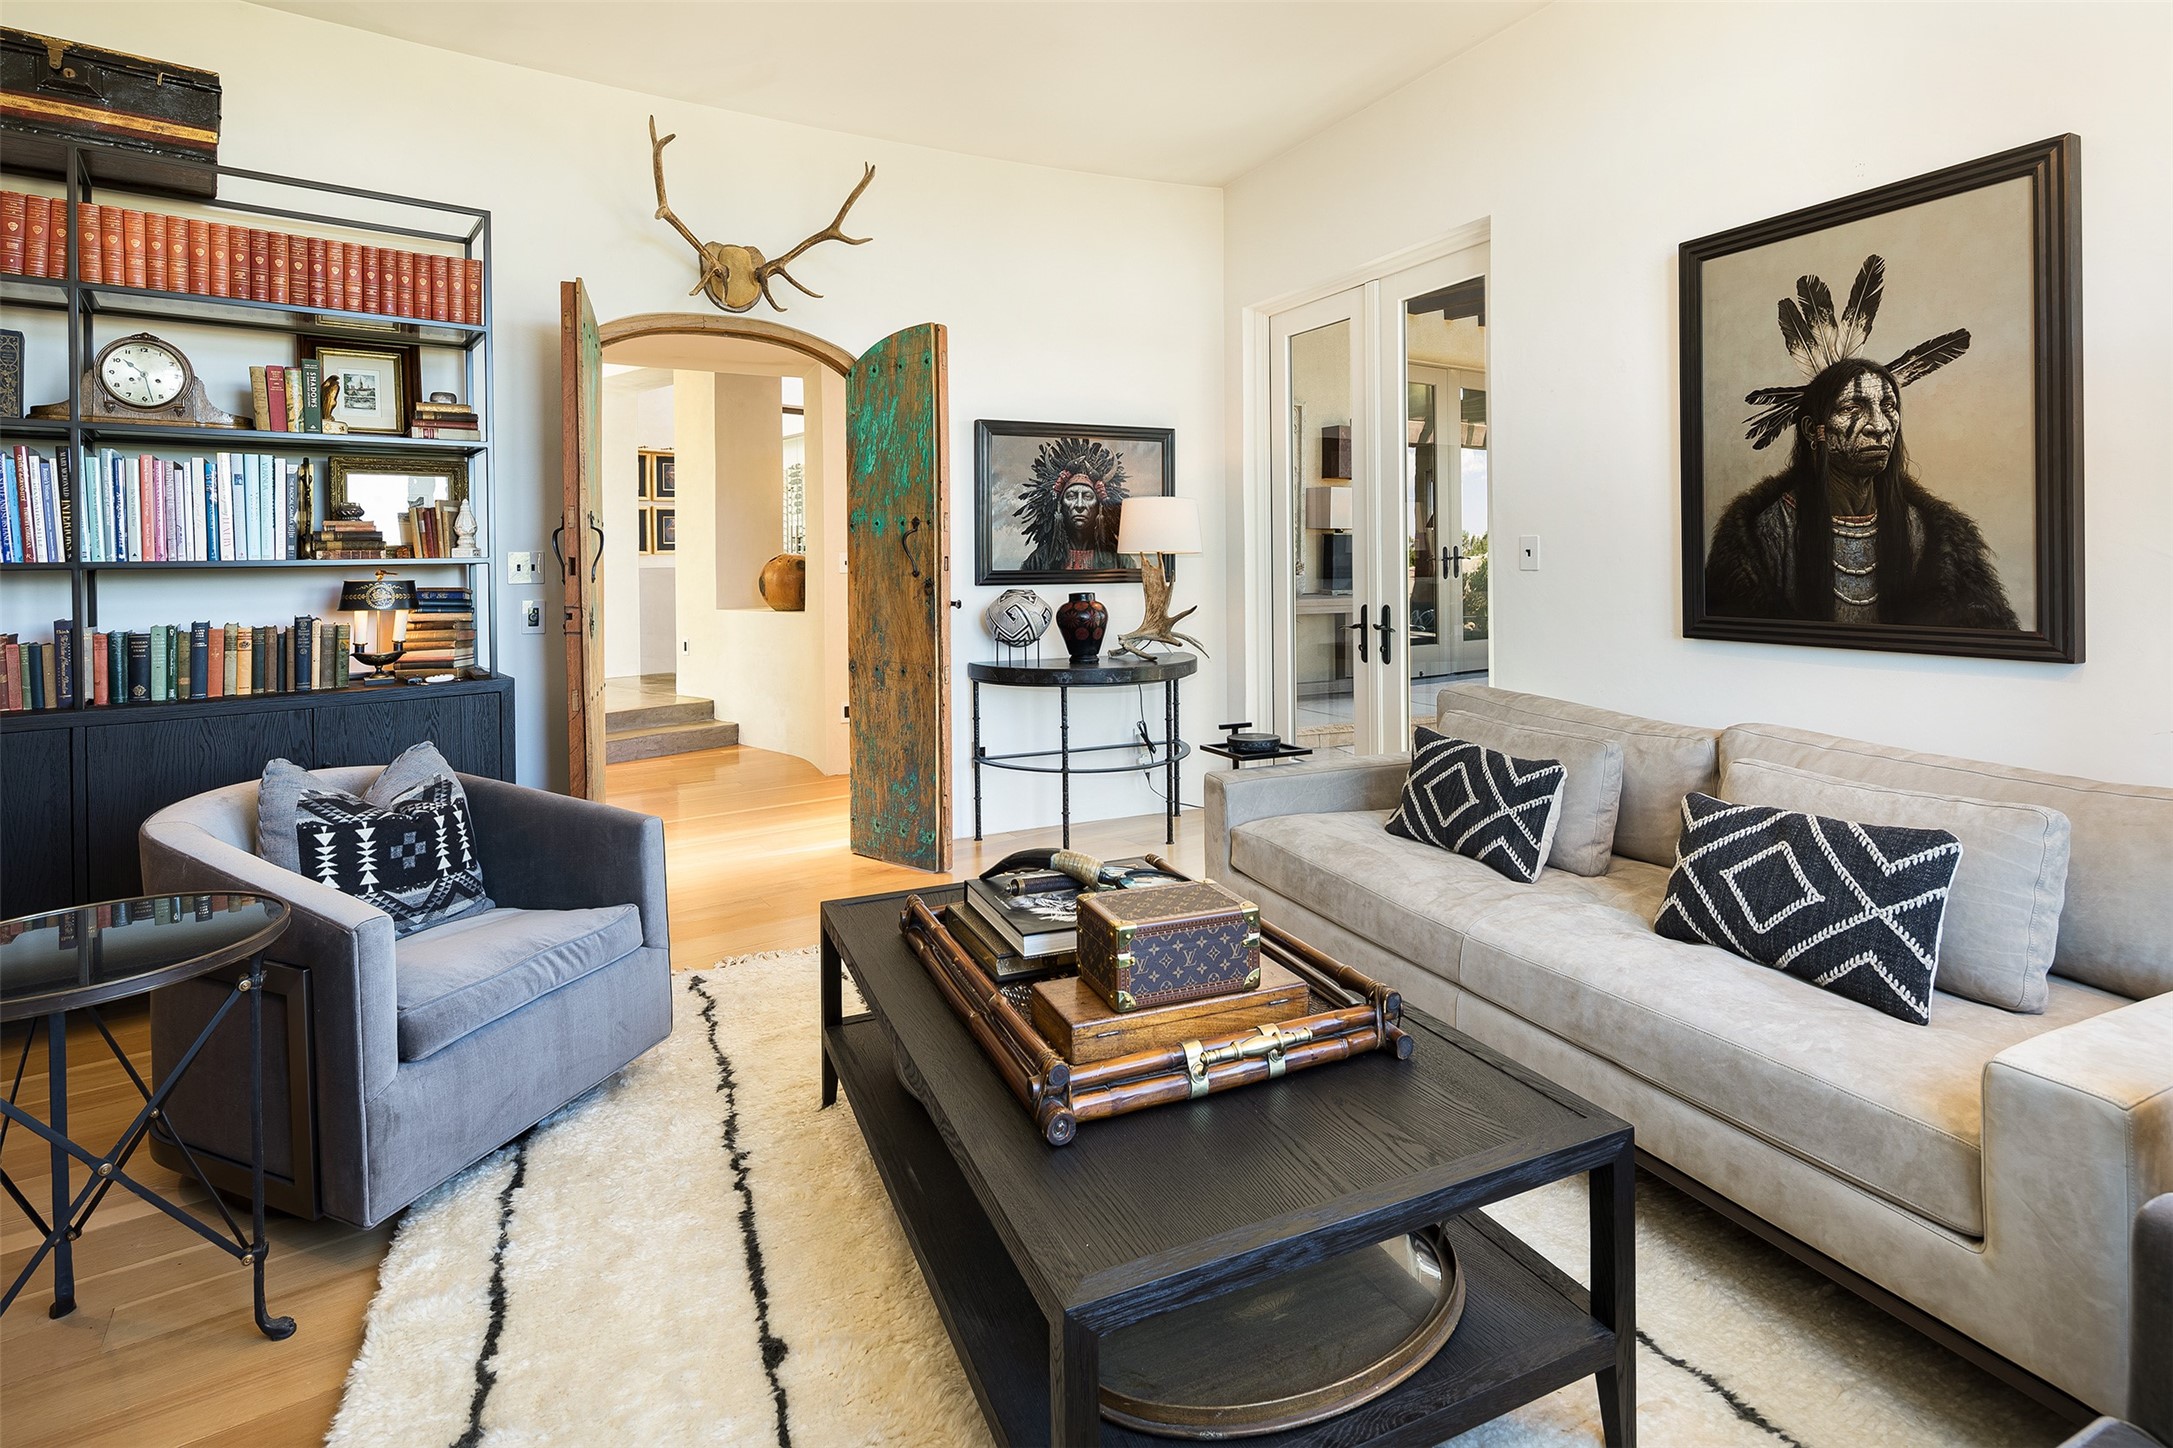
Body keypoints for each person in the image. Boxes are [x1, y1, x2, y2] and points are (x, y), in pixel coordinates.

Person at [1705, 255, 2017, 629]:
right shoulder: (1767, 532)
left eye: (1889, 406)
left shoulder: (1930, 532)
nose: (1879, 426)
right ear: (1813, 430)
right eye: (1853, 407)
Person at [1017, 436, 1128, 572]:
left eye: (1088, 496)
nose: (1079, 505)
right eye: (1071, 496)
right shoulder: (1038, 560)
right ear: (1060, 505)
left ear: (1098, 506)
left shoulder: (1119, 560)